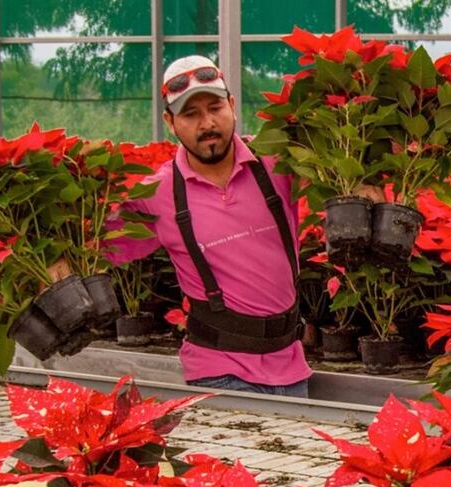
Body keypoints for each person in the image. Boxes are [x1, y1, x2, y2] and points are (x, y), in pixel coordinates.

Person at [108, 55, 311, 396]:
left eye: (215, 107)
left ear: (232, 105)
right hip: (218, 373)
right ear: (170, 122)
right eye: (191, 114)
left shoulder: (278, 165)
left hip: (292, 366)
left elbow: (344, 173)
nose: (207, 123)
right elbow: (94, 249)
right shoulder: (157, 193)